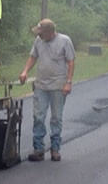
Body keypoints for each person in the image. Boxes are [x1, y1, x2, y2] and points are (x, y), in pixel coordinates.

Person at [18, 18, 75, 162]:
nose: (39, 35)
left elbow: (71, 61)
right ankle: (38, 149)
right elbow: (33, 56)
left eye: (41, 33)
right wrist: (25, 71)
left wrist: (68, 82)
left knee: (56, 118)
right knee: (38, 116)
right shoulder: (39, 41)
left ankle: (55, 149)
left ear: (50, 32)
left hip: (58, 85)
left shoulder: (65, 41)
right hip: (41, 85)